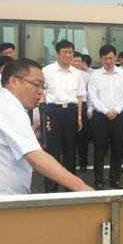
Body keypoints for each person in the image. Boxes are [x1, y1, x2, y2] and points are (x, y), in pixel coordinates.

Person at [0, 59, 92, 196]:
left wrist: (31, 134)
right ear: (14, 82)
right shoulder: (8, 108)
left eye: (43, 87)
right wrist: (84, 189)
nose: (41, 92)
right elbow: (37, 159)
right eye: (36, 84)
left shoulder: (1, 102)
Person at [41, 39, 86, 192]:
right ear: (57, 53)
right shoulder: (47, 70)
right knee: (52, 150)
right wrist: (43, 114)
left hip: (71, 112)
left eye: (70, 52)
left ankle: (70, 187)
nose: (68, 55)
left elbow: (79, 97)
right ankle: (51, 188)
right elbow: (42, 93)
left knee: (70, 150)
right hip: (53, 112)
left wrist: (79, 117)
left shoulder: (77, 73)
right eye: (65, 52)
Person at [87, 45, 123, 189]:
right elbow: (93, 97)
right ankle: (99, 180)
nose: (108, 61)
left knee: (117, 150)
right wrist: (106, 111)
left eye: (111, 58)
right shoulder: (95, 75)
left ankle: (115, 179)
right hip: (100, 117)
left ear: (115, 57)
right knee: (99, 150)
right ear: (101, 59)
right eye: (105, 58)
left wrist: (116, 110)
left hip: (118, 117)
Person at [71, 51, 92, 172]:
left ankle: (83, 162)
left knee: (83, 136)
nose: (77, 63)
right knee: (69, 135)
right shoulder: (66, 75)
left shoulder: (86, 76)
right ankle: (70, 162)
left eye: (79, 61)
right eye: (75, 61)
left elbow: (90, 94)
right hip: (70, 106)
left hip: (83, 106)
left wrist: (89, 109)